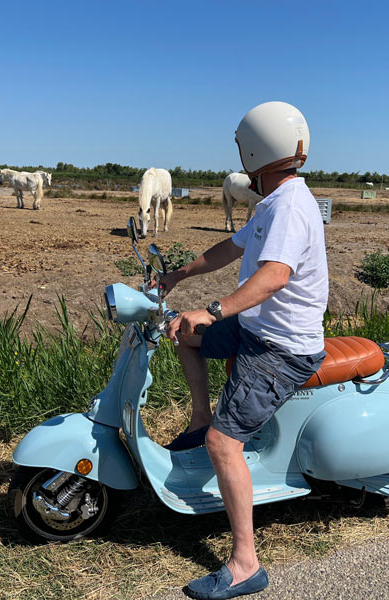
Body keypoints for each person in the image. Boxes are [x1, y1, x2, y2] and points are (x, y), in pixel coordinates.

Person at [159, 101, 329, 600]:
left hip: (282, 346)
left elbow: (275, 275)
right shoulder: (272, 203)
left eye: (241, 148)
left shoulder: (292, 207)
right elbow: (229, 250)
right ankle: (197, 419)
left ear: (256, 148)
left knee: (223, 444)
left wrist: (213, 310)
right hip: (255, 328)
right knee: (180, 332)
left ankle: (244, 563)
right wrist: (178, 275)